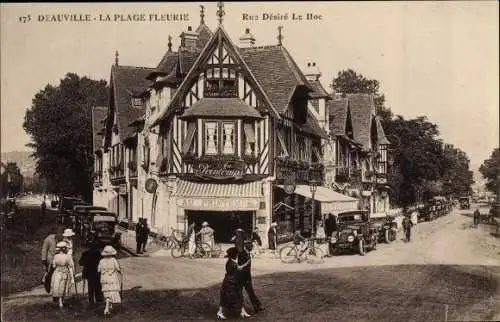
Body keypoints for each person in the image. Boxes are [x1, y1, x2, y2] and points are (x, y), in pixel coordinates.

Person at [217, 247, 251, 320]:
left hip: (231, 281)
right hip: (230, 283)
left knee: (237, 296)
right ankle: (220, 312)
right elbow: (239, 268)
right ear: (234, 255)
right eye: (236, 254)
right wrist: (247, 263)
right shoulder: (232, 263)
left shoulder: (230, 261)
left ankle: (242, 311)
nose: (237, 255)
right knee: (230, 297)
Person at [98, 245, 122, 316]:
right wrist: (120, 270)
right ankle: (107, 307)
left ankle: (108, 305)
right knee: (112, 291)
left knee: (107, 292)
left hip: (104, 278)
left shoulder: (101, 261)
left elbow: (98, 270)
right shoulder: (113, 260)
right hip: (112, 278)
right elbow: (118, 268)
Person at [50, 241, 75, 309]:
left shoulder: (55, 256)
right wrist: (72, 278)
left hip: (57, 272)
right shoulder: (68, 257)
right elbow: (70, 267)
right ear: (65, 249)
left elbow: (54, 266)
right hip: (65, 272)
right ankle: (61, 300)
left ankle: (59, 300)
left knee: (57, 285)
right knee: (63, 286)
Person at [79, 242, 103, 306]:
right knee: (98, 285)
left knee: (90, 286)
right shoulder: (98, 254)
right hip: (97, 272)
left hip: (88, 272)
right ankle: (98, 299)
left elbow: (80, 263)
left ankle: (91, 300)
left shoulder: (85, 254)